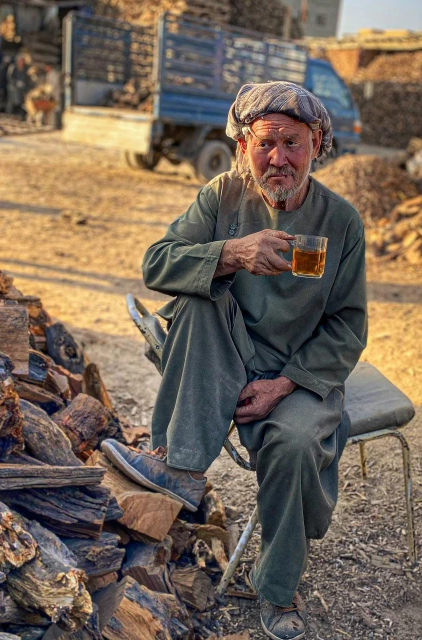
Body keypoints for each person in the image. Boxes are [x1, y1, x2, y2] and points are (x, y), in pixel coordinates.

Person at [101, 81, 367, 640]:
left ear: (316, 145)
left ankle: (277, 588)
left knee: (295, 445)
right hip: (223, 353)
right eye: (266, 143)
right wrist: (230, 253)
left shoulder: (340, 222)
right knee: (197, 298)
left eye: (293, 143)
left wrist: (286, 384)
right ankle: (182, 465)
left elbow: (349, 325)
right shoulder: (222, 196)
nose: (279, 158)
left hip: (295, 372)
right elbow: (157, 265)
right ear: (244, 144)